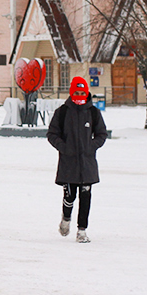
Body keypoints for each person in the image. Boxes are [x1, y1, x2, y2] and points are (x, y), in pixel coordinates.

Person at [48, 76, 107, 243]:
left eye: (82, 92)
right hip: (68, 164)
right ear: (71, 92)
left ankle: (82, 230)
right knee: (70, 195)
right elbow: (52, 134)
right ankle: (66, 218)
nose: (80, 95)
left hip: (87, 164)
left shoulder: (93, 113)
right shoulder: (62, 112)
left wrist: (92, 145)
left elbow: (102, 134)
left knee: (86, 197)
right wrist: (64, 147)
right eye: (77, 92)